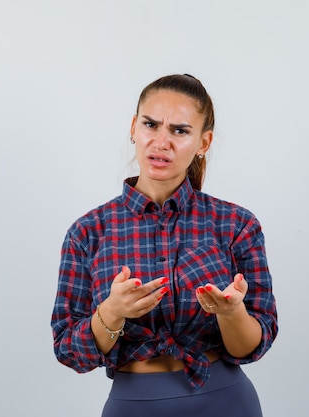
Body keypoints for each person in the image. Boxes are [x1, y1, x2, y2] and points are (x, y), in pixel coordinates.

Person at [51, 74, 278, 417]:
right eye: (150, 125)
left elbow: (254, 345)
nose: (161, 142)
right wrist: (112, 311)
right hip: (133, 406)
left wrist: (232, 312)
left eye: (180, 131)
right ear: (133, 128)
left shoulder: (236, 224)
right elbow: (70, 351)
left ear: (204, 142)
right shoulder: (88, 233)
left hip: (226, 402)